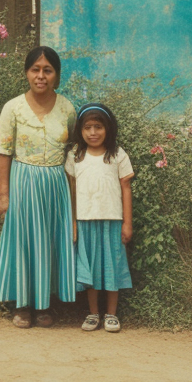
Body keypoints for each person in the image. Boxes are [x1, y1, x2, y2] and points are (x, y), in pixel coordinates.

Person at [0, 46, 77, 328]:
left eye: (48, 70)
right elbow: (4, 152)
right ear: (27, 73)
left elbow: (73, 150)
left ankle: (45, 304)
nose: (41, 76)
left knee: (50, 242)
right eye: (35, 70)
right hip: (23, 182)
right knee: (24, 242)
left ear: (57, 75)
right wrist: (5, 195)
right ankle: (22, 305)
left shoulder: (67, 108)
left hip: (55, 185)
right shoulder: (12, 108)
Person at [64, 103, 134, 332]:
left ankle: (111, 314)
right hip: (85, 221)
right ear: (80, 131)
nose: (93, 132)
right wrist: (72, 222)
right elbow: (71, 191)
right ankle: (93, 313)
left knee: (112, 266)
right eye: (87, 127)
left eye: (98, 127)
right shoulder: (76, 155)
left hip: (112, 221)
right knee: (90, 269)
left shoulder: (116, 154)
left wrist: (127, 223)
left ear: (108, 128)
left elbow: (126, 188)